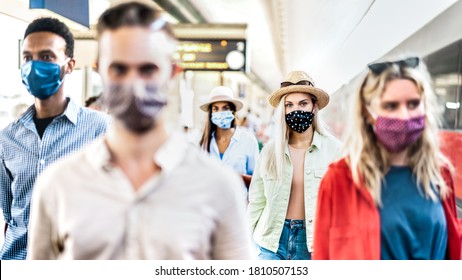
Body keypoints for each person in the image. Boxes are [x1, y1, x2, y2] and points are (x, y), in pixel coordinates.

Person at [27, 0, 252, 260]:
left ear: (172, 73)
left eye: (147, 69)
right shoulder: (58, 185)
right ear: (100, 71)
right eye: (119, 69)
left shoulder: (218, 186)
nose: (134, 83)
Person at [312, 56, 462, 260]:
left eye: (413, 104)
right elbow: (323, 258)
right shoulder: (339, 179)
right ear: (367, 112)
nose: (405, 116)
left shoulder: (440, 175)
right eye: (391, 106)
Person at [0, 17, 110, 260]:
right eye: (28, 57)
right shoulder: (7, 139)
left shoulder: (101, 130)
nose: (35, 65)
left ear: (69, 65)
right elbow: (10, 213)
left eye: (47, 57)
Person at [247, 70, 343, 260]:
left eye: (303, 103)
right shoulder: (269, 152)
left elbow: (342, 204)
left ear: (314, 107)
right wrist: (245, 239)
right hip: (272, 241)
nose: (295, 110)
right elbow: (257, 201)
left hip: (313, 243)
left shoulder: (335, 150)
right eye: (289, 105)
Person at [199, 86, 259, 188]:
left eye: (225, 108)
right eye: (215, 109)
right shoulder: (202, 142)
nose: (220, 113)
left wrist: (238, 177)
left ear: (233, 111)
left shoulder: (248, 140)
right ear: (211, 113)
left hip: (239, 202)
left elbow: (257, 181)